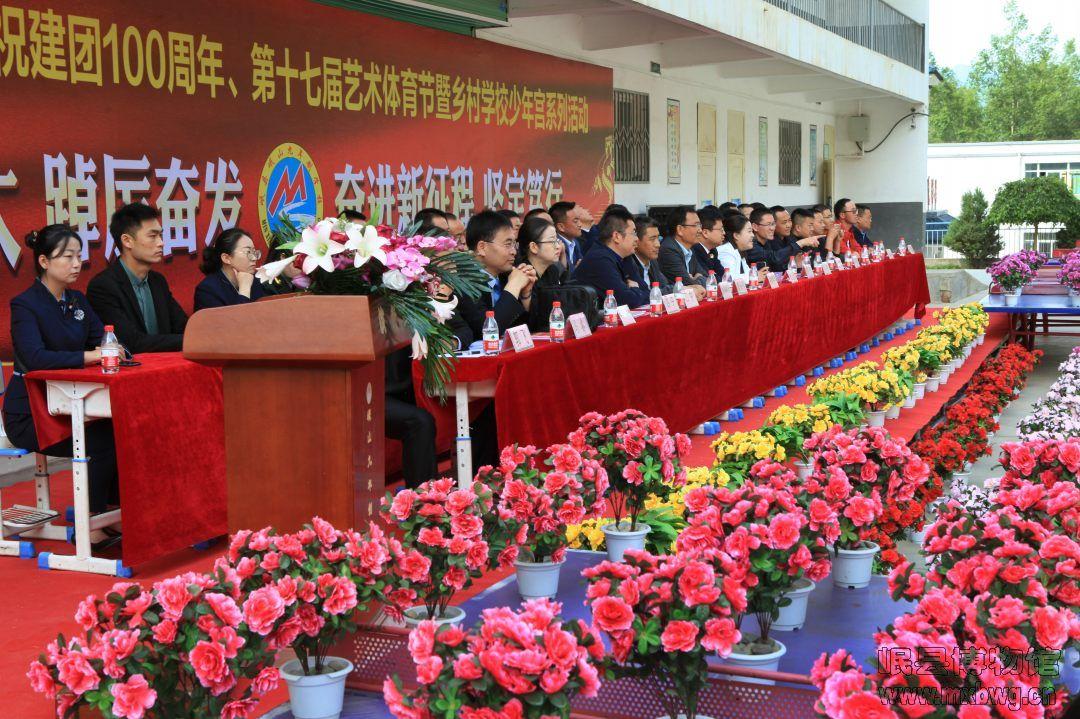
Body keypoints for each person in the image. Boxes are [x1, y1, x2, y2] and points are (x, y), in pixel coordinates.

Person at [4, 225, 119, 514]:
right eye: (67, 256)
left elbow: (102, 339)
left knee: (122, 430)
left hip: (73, 406)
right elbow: (34, 358)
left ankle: (113, 512)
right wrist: (90, 357)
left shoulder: (77, 300)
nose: (76, 263)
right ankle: (92, 521)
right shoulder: (25, 305)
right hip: (31, 413)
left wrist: (114, 349)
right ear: (44, 262)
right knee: (106, 440)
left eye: (79, 256)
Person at [87, 204, 188, 353]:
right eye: (153, 236)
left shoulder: (157, 281)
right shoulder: (103, 286)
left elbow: (182, 326)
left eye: (160, 235)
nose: (161, 243)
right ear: (127, 241)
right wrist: (188, 340)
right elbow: (132, 343)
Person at [447, 210, 536, 342]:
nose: (514, 251)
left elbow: (532, 330)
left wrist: (526, 295)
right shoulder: (464, 280)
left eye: (514, 244)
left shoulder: (507, 275)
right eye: (508, 244)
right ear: (482, 247)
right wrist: (514, 286)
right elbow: (487, 331)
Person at [571, 208, 649, 308]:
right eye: (633, 233)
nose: (637, 239)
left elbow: (647, 292)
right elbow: (628, 300)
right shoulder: (599, 260)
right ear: (616, 236)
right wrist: (636, 289)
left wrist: (636, 291)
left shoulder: (625, 256)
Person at [193, 228, 268, 311]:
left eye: (254, 252)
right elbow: (234, 322)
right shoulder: (207, 291)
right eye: (248, 252)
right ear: (226, 258)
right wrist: (244, 289)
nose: (254, 258)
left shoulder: (256, 280)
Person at [658, 206, 707, 287]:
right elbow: (687, 284)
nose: (700, 230)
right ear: (680, 229)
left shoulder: (690, 249)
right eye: (695, 225)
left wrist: (696, 279)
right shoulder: (668, 250)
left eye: (700, 225)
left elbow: (707, 278)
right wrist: (697, 278)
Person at [623, 215, 671, 292]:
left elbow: (665, 286)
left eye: (658, 238)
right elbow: (646, 294)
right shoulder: (629, 264)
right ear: (636, 241)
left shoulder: (652, 261)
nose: (658, 244)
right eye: (652, 239)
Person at [515, 216, 564, 289]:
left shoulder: (552, 270)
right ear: (534, 247)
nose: (558, 246)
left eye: (556, 241)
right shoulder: (523, 275)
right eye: (552, 241)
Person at [716, 213, 754, 280]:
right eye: (749, 231)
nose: (753, 235)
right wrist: (755, 276)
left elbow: (747, 272)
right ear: (736, 235)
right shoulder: (726, 251)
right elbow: (729, 278)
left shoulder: (739, 250)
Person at [550, 201, 585, 270]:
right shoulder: (555, 246)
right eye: (575, 221)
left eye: (579, 220)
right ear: (561, 227)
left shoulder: (575, 242)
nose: (580, 224)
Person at [692, 206, 726, 276]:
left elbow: (723, 275)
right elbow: (708, 278)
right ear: (705, 233)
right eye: (721, 230)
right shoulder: (694, 251)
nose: (724, 233)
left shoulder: (712, 250)